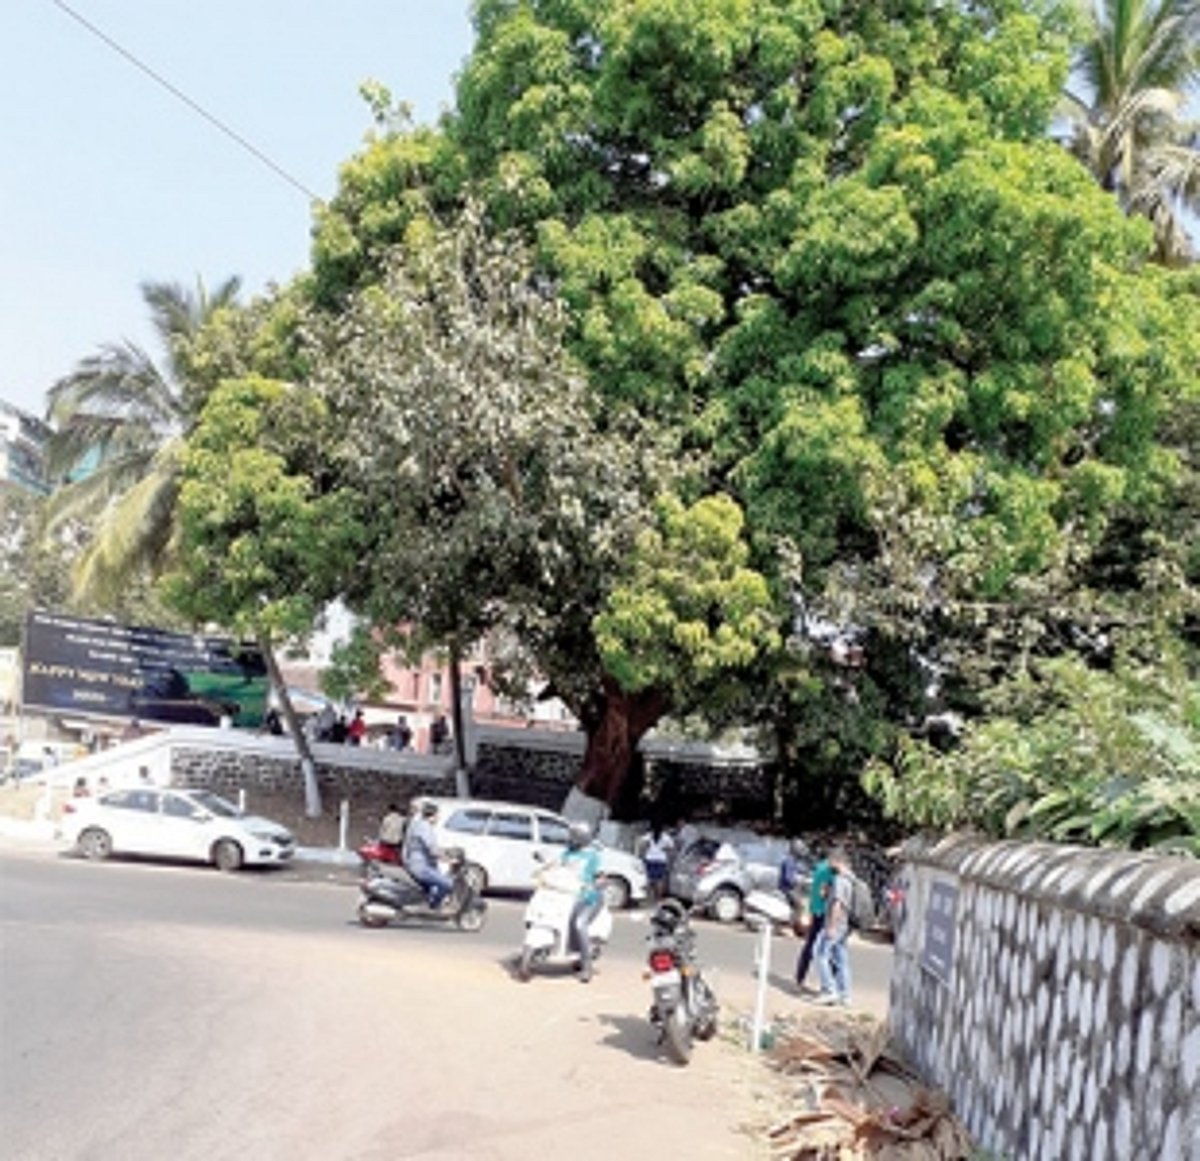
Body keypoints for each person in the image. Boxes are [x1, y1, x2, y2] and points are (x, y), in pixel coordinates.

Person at [559, 822, 603, 983]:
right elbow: (558, 869)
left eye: (573, 835)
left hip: (590, 897)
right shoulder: (567, 853)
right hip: (570, 895)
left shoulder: (593, 856)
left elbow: (600, 876)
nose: (570, 838)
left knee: (579, 924)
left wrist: (596, 883)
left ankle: (587, 967)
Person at [813, 848, 853, 1006]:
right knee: (841, 959)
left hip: (835, 924)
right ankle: (845, 994)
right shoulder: (851, 879)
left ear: (837, 861)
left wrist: (830, 926)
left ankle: (829, 990)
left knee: (820, 953)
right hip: (844, 926)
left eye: (830, 861)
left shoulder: (840, 880)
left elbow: (837, 904)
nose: (828, 864)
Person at [795, 847, 835, 991]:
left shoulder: (819, 868)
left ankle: (800, 977)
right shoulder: (830, 872)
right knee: (829, 949)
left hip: (816, 910)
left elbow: (814, 892)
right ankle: (830, 984)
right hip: (826, 912)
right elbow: (824, 891)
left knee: (810, 945)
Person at [401, 800, 453, 908]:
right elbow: (432, 849)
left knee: (435, 882)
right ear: (433, 815)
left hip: (415, 863)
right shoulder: (425, 827)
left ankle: (429, 902)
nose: (439, 818)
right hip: (420, 867)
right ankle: (433, 906)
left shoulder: (417, 824)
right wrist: (447, 859)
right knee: (448, 884)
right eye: (438, 815)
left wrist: (445, 852)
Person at [639, 825, 674, 901]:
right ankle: (658, 898)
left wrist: (644, 851)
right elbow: (671, 847)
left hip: (650, 859)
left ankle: (648, 897)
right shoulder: (666, 837)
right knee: (659, 880)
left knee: (649, 879)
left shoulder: (649, 835)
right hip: (661, 860)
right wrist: (665, 849)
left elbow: (641, 844)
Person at [778, 839, 806, 933]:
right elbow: (788, 878)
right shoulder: (789, 861)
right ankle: (791, 926)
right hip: (786, 888)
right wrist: (799, 881)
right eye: (800, 849)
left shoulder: (792, 860)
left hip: (789, 887)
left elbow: (798, 871)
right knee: (799, 905)